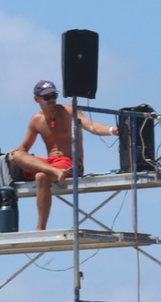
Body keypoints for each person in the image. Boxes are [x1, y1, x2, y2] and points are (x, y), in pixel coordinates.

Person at [9, 79, 121, 230]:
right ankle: (55, 172)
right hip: (51, 164)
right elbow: (24, 148)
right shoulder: (36, 119)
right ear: (37, 99)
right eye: (47, 97)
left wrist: (112, 130)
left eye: (53, 96)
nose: (51, 100)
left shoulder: (69, 111)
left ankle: (40, 228)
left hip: (70, 162)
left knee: (41, 176)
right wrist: (14, 154)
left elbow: (93, 127)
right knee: (16, 156)